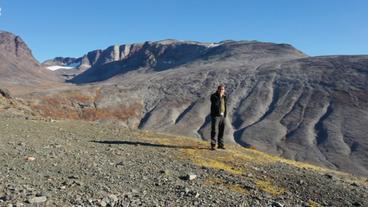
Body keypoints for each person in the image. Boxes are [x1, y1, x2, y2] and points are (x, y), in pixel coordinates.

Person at [210, 84, 227, 150]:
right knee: (214, 131)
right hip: (216, 116)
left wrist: (225, 115)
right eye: (220, 89)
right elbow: (215, 104)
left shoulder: (224, 97)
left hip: (222, 116)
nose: (221, 90)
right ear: (217, 89)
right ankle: (213, 145)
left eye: (222, 89)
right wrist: (219, 97)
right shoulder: (213, 96)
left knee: (221, 130)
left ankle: (220, 145)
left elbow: (224, 106)